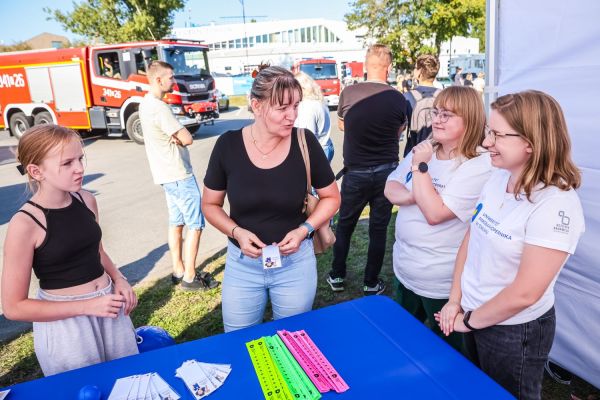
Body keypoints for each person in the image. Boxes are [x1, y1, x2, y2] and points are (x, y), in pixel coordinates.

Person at [436, 90, 585, 399]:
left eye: (497, 134)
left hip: (514, 331)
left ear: (530, 142)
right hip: (474, 314)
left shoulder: (556, 204)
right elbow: (472, 237)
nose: (486, 142)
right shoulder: (497, 177)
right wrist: (455, 300)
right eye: (490, 131)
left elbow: (525, 292)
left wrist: (470, 321)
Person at [202, 65, 340, 332]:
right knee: (239, 343)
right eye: (282, 108)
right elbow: (209, 204)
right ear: (256, 106)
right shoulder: (228, 146)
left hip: (295, 265)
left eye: (296, 106)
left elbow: (332, 197)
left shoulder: (304, 141)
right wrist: (236, 232)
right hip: (243, 267)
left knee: (292, 343)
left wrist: (304, 230)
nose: (292, 116)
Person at [1, 125, 139, 376]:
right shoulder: (25, 224)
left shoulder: (86, 199)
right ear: (36, 171)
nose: (80, 168)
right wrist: (87, 306)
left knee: (128, 380)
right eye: (67, 163)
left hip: (109, 308)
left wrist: (119, 279)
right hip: (68, 325)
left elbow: (97, 251)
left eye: (80, 158)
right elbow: (14, 307)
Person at [384, 86, 492, 351]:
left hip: (441, 283)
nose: (438, 119)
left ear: (470, 120)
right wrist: (417, 195)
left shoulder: (477, 164)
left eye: (448, 114)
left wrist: (420, 170)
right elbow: (390, 188)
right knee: (403, 341)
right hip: (406, 270)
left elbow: (435, 215)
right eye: (437, 112)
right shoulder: (425, 148)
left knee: (449, 353)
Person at [326, 44, 408, 295]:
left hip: (356, 172)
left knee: (345, 225)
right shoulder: (398, 98)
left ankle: (337, 275)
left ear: (365, 64)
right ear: (389, 67)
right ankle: (370, 281)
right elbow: (400, 130)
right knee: (378, 228)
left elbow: (342, 126)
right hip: (386, 172)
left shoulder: (349, 93)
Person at [139, 61, 216, 291]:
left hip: (164, 174)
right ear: (158, 80)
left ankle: (178, 269)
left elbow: (177, 136)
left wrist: (177, 136)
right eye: (170, 77)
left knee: (176, 222)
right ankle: (190, 277)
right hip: (179, 174)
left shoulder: (145, 103)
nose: (174, 81)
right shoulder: (160, 108)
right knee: (195, 224)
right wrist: (179, 135)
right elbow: (188, 138)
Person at [403, 54, 442, 156]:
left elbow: (401, 126)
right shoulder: (445, 95)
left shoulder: (407, 96)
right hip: (439, 150)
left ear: (419, 72)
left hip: (414, 150)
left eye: (415, 68)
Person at [294, 71, 334, 162]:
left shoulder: (306, 107)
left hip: (316, 152)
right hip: (326, 146)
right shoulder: (318, 101)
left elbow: (308, 138)